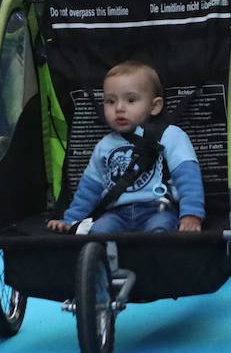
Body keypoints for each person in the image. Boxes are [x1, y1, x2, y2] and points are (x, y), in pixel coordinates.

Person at [47, 60, 204, 234]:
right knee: (99, 231)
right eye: (110, 101)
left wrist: (191, 214)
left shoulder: (170, 136)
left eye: (130, 100)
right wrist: (71, 220)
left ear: (154, 106)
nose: (119, 108)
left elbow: (188, 177)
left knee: (160, 230)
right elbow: (89, 189)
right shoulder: (104, 145)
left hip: (158, 208)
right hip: (115, 213)